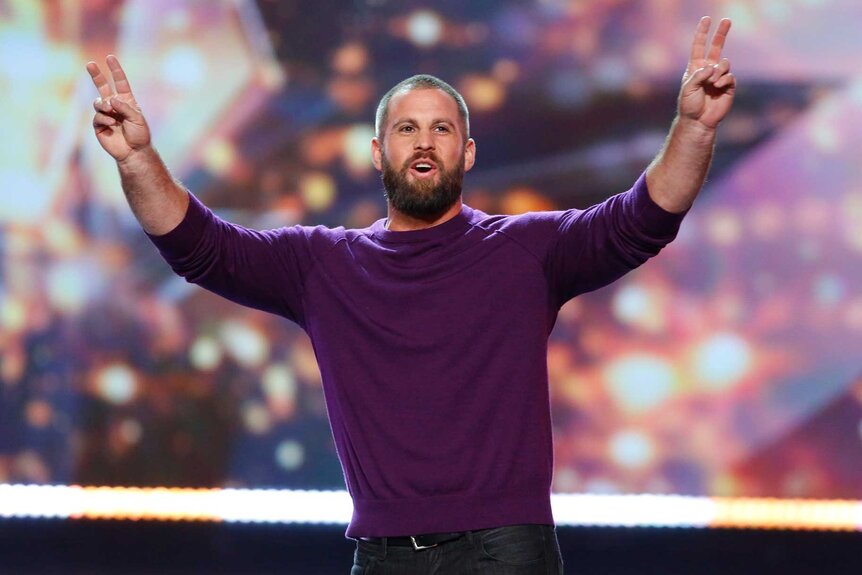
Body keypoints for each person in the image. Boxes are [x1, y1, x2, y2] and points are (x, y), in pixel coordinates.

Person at [87, 15, 735, 575]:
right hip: (383, 554)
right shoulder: (323, 265)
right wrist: (137, 159)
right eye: (406, 129)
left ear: (468, 152)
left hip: (506, 553)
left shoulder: (527, 252)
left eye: (442, 129)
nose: (424, 141)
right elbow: (201, 247)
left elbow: (642, 219)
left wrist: (695, 129)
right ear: (377, 152)